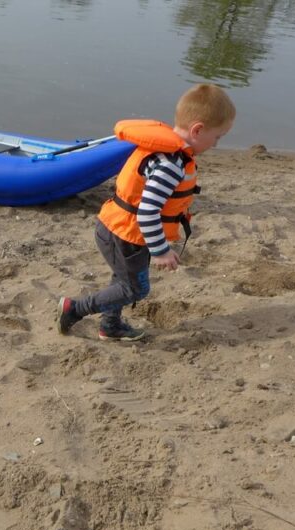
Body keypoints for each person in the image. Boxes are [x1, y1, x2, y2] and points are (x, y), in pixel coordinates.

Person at [58, 84, 235, 341]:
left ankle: (110, 325)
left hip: (113, 226)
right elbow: (148, 210)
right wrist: (161, 250)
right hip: (126, 235)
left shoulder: (162, 152)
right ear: (198, 130)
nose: (216, 144)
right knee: (135, 288)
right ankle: (74, 309)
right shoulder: (171, 165)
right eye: (217, 137)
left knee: (121, 279)